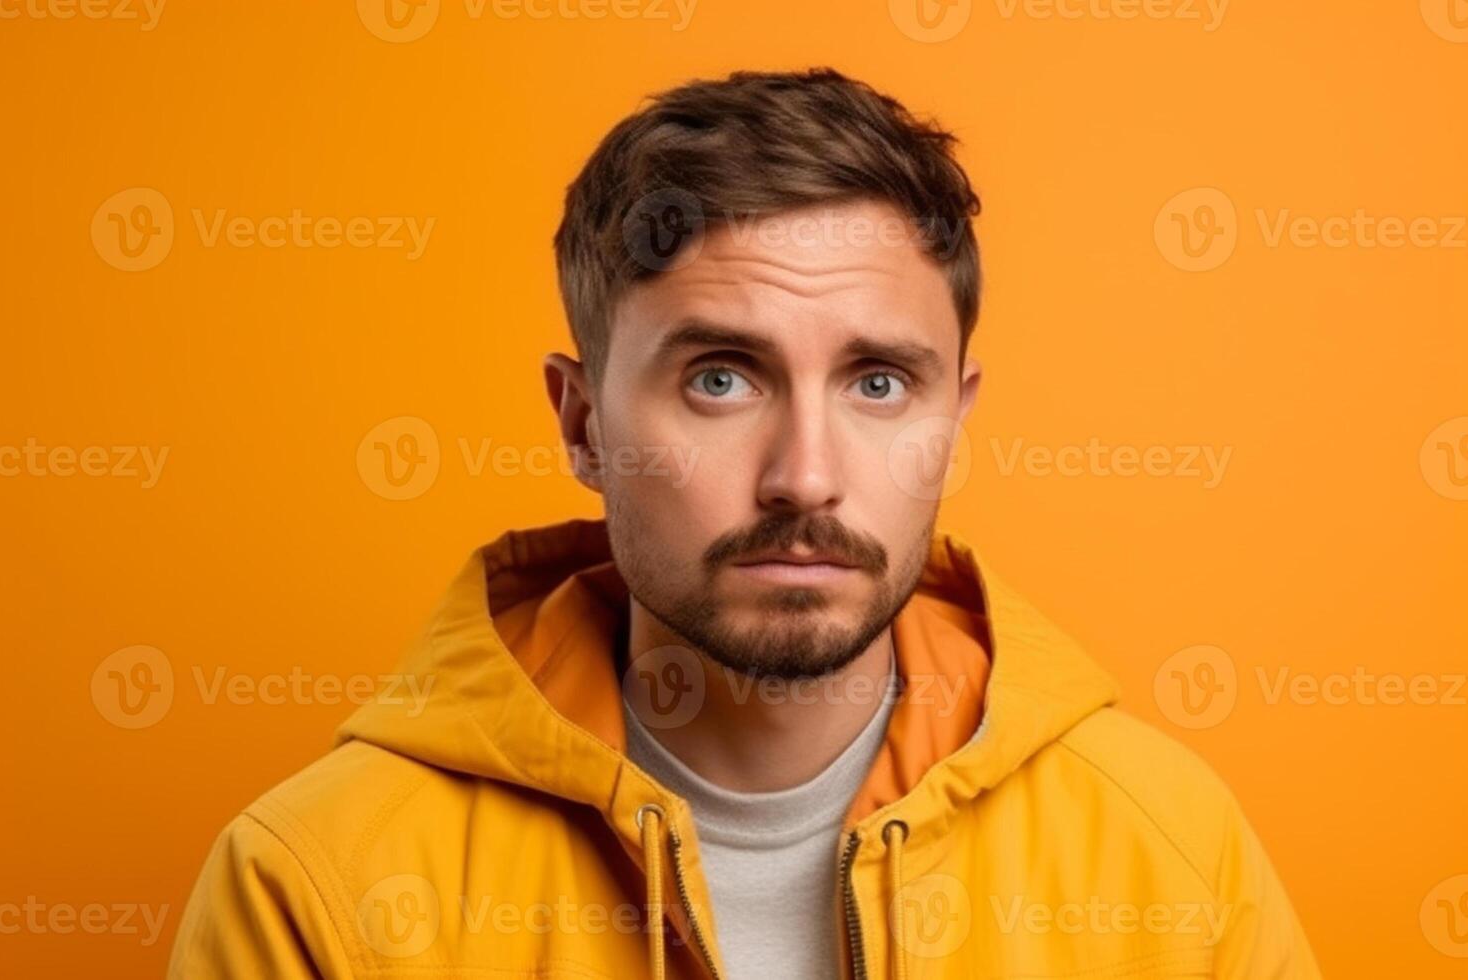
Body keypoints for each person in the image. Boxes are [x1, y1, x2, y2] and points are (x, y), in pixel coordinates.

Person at [168, 68, 1320, 979]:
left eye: (877, 382)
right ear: (580, 422)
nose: (805, 477)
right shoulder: (312, 880)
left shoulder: (1169, 848)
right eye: (722, 379)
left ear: (953, 424)